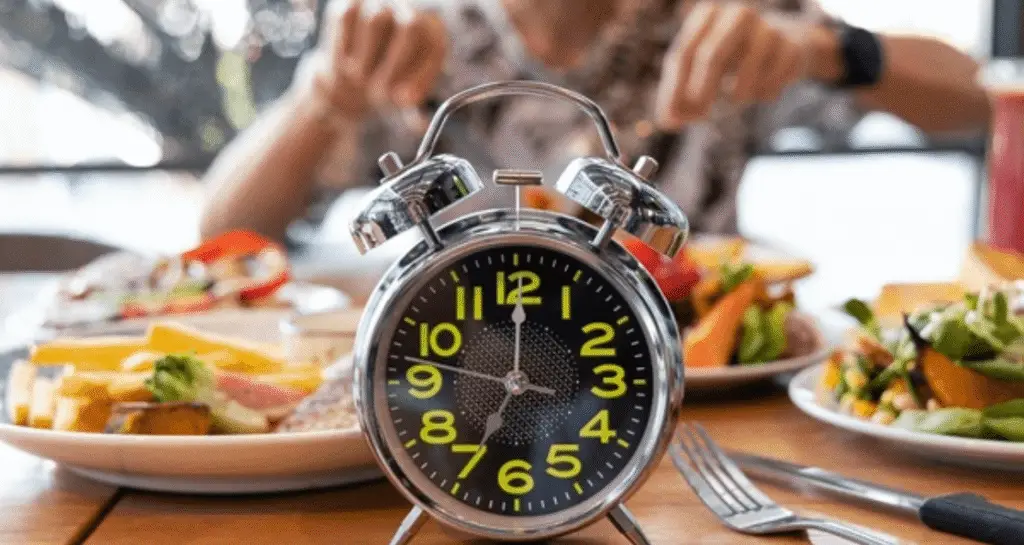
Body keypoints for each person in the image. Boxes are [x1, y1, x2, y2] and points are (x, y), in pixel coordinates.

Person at [199, 0, 990, 242]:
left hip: (707, 406)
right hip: (459, 388)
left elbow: (978, 99)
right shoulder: (417, 32)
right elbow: (222, 232)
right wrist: (325, 95)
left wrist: (828, 48)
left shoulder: (730, 23)